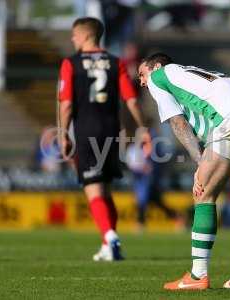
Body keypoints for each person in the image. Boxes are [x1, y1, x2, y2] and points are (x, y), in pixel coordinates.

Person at [138, 53, 230, 290]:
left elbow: (177, 123)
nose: (142, 81)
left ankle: (198, 275)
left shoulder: (159, 77)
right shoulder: (195, 75)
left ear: (157, 66)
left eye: (142, 74)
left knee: (203, 195)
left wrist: (201, 163)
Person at [58, 17, 150, 262]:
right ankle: (108, 244)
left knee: (93, 189)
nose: (72, 39)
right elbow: (131, 100)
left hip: (86, 131)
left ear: (86, 36)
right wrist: (144, 128)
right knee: (105, 190)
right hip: (111, 131)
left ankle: (109, 236)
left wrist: (63, 134)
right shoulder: (115, 62)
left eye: (75, 35)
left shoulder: (71, 63)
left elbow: (66, 104)